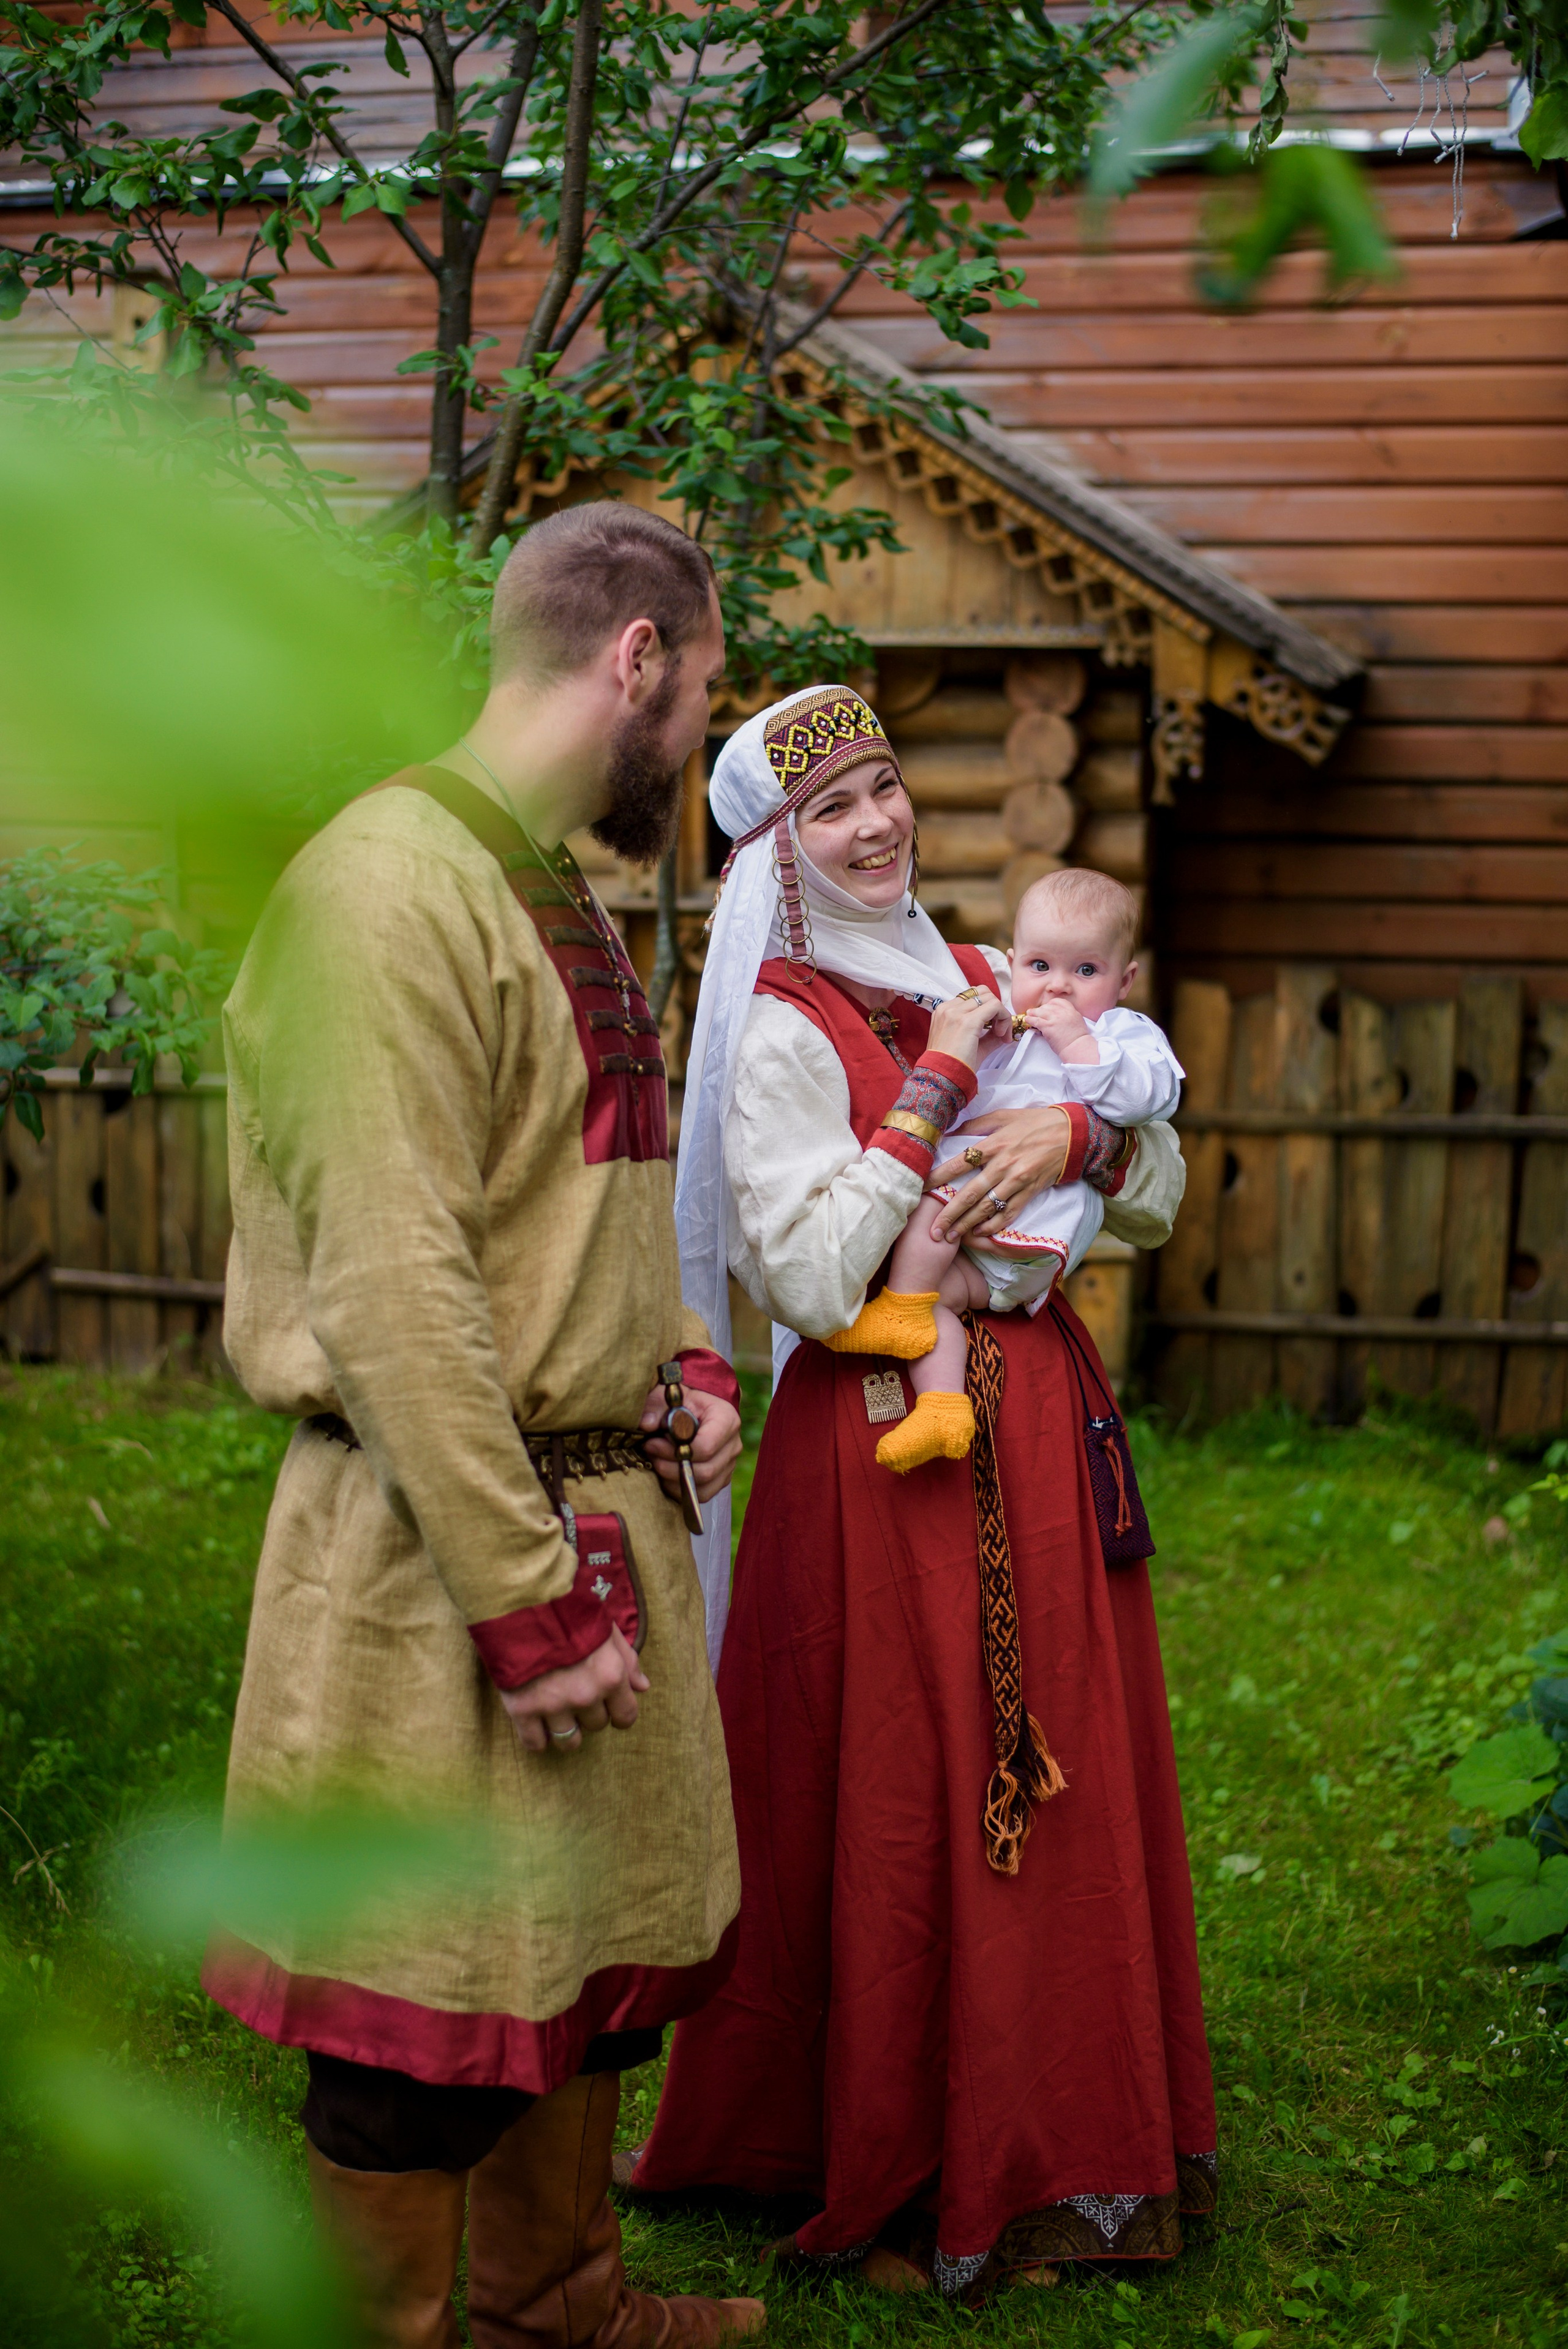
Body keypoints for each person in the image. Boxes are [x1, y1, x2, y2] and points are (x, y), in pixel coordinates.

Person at [203, 502, 766, 2349]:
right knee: (415, 2010)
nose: (691, 738)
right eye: (695, 695)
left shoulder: (552, 888)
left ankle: (557, 2304)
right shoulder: (385, 895)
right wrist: (525, 1603)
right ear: (634, 661)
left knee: (580, 1962)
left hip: (595, 1509)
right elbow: (387, 1286)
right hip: (435, 1557)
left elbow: (571, 1209)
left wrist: (676, 1355)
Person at [626, 683, 1216, 2302]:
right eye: (837, 808)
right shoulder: (779, 1025)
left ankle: (1046, 2130)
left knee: (1049, 1781)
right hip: (876, 1457)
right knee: (909, 1794)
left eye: (887, 787)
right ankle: (882, 2144)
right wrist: (945, 1098)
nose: (879, 821)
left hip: (1036, 1430)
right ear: (780, 851)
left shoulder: (987, 970)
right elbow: (808, 1271)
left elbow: (1157, 1184)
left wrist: (1078, 1151)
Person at [831, 863, 1184, 1472]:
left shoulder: (1123, 1034)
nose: (1058, 990)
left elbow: (1151, 1099)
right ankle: (943, 1406)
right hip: (991, 1268)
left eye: (1086, 971)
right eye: (1041, 967)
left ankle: (902, 1306)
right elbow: (968, 1107)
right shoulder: (1010, 1034)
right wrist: (983, 1053)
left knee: (926, 1214)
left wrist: (1079, 1047)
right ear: (1015, 962)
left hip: (1032, 1223)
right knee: (938, 1298)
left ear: (1126, 979)